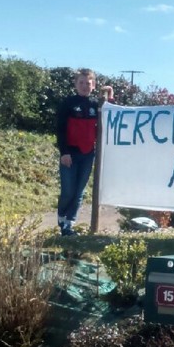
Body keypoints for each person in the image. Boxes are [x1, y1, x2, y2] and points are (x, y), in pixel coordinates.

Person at [55, 68, 113, 236]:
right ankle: (61, 217)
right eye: (81, 83)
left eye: (88, 83)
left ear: (93, 85)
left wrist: (110, 93)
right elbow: (60, 129)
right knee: (68, 191)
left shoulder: (96, 105)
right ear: (76, 84)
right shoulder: (68, 103)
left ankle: (68, 225)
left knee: (79, 191)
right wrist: (63, 152)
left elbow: (110, 114)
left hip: (88, 154)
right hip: (70, 154)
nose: (84, 86)